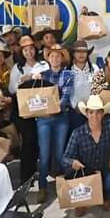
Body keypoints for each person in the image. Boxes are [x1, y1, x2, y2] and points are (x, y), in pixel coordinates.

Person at [35, 44, 74, 203]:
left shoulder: (68, 74)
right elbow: (35, 96)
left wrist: (53, 107)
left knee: (59, 153)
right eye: (52, 56)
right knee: (44, 155)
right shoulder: (41, 75)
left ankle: (61, 185)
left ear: (62, 58)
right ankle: (42, 187)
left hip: (61, 117)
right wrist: (33, 80)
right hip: (44, 119)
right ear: (48, 58)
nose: (55, 58)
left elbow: (66, 96)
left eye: (58, 56)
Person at [8, 35, 45, 182]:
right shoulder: (17, 68)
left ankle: (38, 172)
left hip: (42, 106)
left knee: (38, 141)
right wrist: (21, 81)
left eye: (31, 49)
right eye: (25, 50)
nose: (29, 52)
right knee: (28, 140)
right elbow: (11, 89)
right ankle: (26, 176)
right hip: (24, 108)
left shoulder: (43, 64)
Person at [68, 40, 99, 131]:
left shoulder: (95, 68)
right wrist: (74, 106)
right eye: (78, 51)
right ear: (73, 53)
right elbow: (65, 93)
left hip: (92, 111)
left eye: (84, 52)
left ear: (87, 53)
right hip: (74, 112)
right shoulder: (68, 70)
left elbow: (100, 90)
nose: (81, 54)